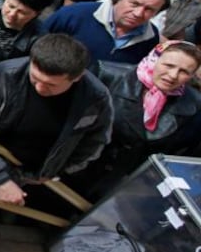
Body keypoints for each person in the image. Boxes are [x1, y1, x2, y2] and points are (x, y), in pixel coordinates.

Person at [0, 33, 113, 207]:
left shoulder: (96, 98)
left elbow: (95, 142)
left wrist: (58, 171)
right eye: (35, 78)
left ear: (76, 77)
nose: (39, 88)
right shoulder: (5, 76)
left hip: (35, 174)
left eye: (50, 85)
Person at [84, 41, 201, 197]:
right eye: (168, 65)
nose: (173, 76)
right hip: (81, 167)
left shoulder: (193, 103)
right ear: (154, 58)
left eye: (184, 72)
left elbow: (181, 153)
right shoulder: (107, 74)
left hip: (123, 185)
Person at [48, 0, 169, 65]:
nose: (138, 13)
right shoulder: (75, 14)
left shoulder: (150, 37)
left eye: (149, 9)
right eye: (134, 4)